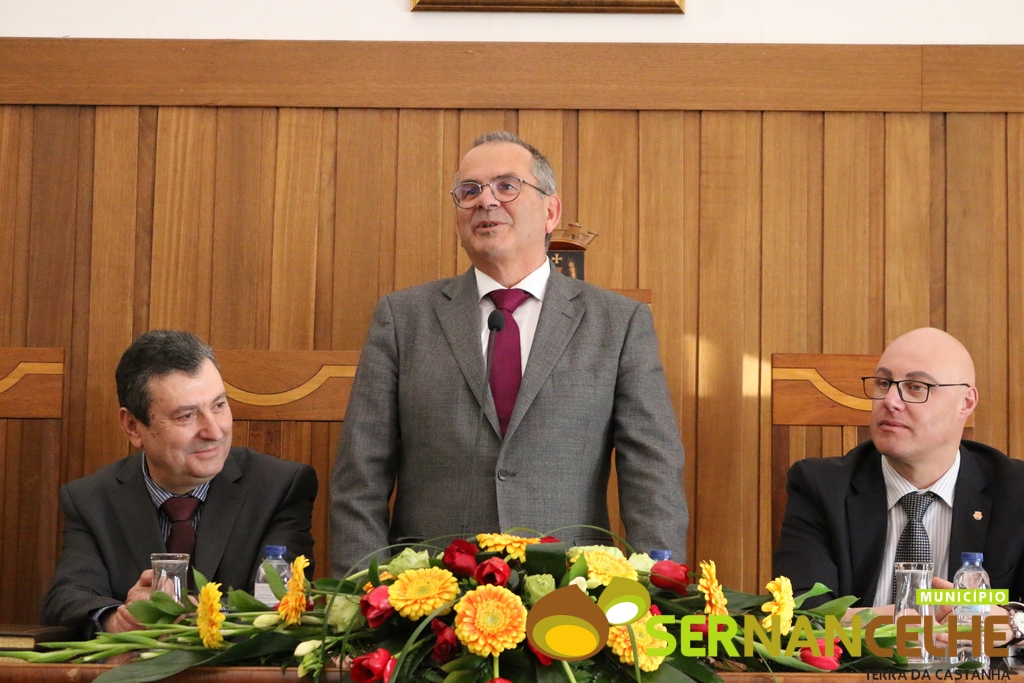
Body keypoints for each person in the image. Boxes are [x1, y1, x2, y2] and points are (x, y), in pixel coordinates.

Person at [330, 131, 688, 574]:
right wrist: (364, 597)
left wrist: (650, 593)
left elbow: (653, 477)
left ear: (550, 211)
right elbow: (359, 479)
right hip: (426, 599)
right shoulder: (403, 319)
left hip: (573, 590)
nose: (486, 201)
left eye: (506, 186)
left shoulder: (617, 322)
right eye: (469, 191)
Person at [43, 330, 318, 636]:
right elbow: (66, 599)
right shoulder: (90, 499)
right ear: (133, 426)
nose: (214, 431)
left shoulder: (280, 487)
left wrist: (193, 612)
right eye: (187, 416)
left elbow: (280, 604)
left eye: (218, 405)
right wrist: (118, 619)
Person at [774, 327, 1024, 614]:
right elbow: (802, 614)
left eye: (916, 387)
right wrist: (910, 623)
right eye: (883, 383)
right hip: (860, 659)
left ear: (965, 403)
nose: (890, 401)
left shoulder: (1015, 490)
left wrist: (1010, 624)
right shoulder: (822, 486)